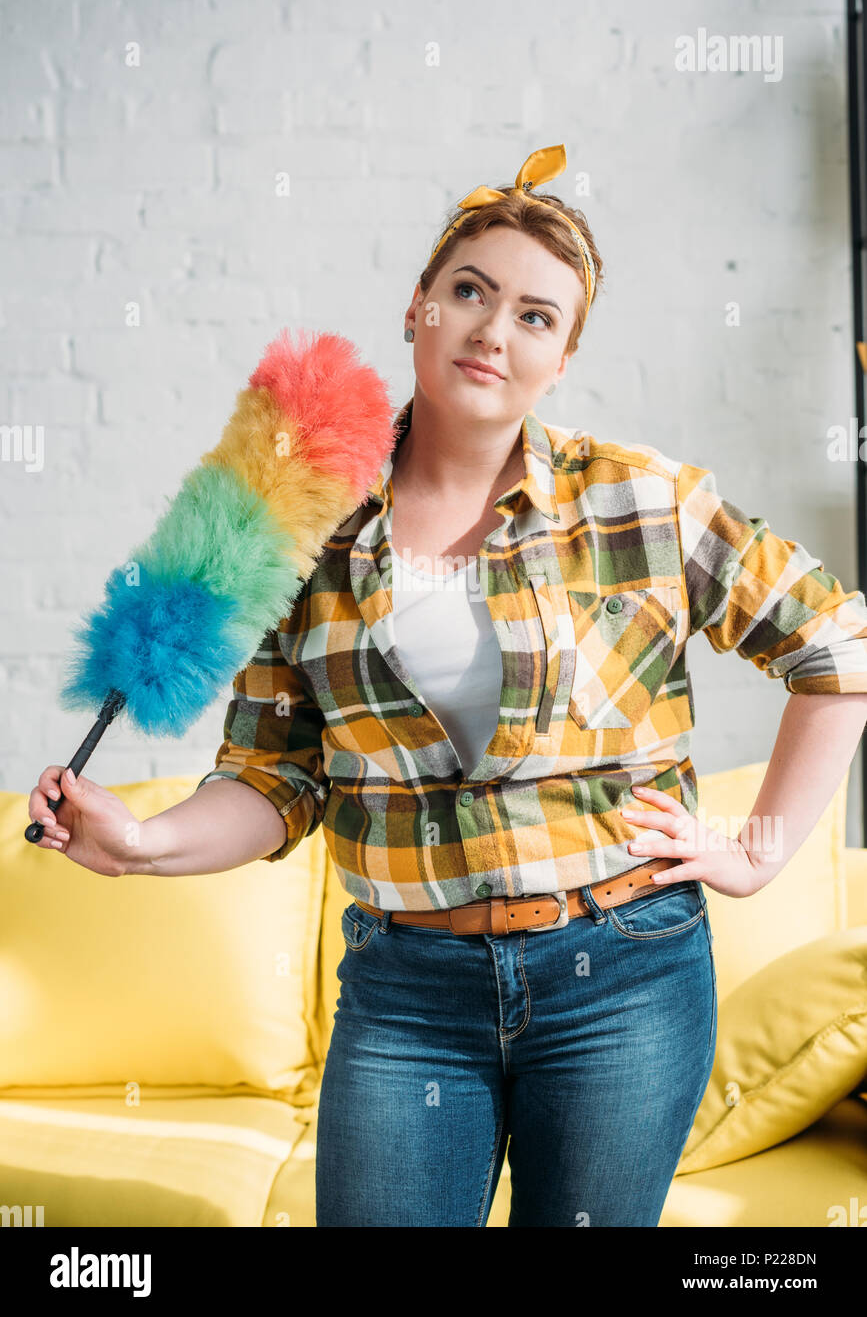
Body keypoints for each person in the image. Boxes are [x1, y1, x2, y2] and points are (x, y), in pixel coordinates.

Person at [29, 144, 867, 1227]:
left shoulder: (642, 501)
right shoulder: (300, 526)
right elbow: (277, 781)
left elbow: (837, 643)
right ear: (418, 307)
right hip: (406, 991)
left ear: (561, 356)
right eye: (470, 291)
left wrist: (754, 853)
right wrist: (140, 844)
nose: (492, 329)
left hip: (624, 977)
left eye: (535, 315)